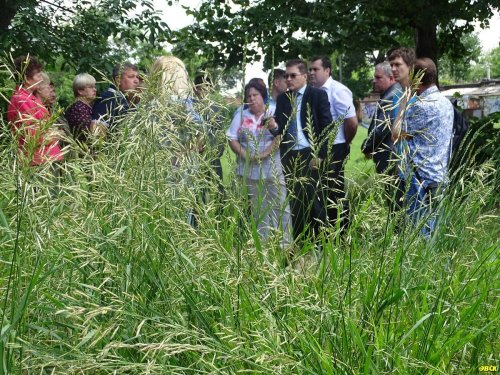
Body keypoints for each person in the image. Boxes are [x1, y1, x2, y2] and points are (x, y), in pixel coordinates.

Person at [267, 59, 332, 242]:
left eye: (293, 75)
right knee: (295, 204)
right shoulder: (282, 99)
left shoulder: (317, 95)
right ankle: (300, 245)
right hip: (290, 156)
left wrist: (320, 155)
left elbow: (327, 127)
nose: (288, 79)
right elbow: (280, 131)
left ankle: (322, 246)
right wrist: (272, 127)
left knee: (316, 202)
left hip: (310, 154)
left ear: (304, 76)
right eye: (286, 75)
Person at [227, 79, 291, 247]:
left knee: (280, 205)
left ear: (263, 96)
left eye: (255, 95)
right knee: (258, 208)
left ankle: (285, 244)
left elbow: (280, 135)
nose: (252, 98)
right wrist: (247, 155)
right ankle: (263, 243)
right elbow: (232, 138)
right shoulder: (241, 113)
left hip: (272, 167)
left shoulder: (273, 111)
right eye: (248, 95)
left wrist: (264, 154)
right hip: (249, 169)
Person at [396, 58, 454, 238]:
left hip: (419, 179)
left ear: (416, 79)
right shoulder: (446, 103)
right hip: (440, 175)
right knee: (436, 232)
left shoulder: (420, 106)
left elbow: (396, 132)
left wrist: (406, 97)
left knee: (420, 234)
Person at [308, 56, 357, 230]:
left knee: (334, 192)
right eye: (310, 69)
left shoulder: (337, 90)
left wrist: (344, 144)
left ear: (327, 70)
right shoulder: (312, 91)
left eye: (316, 69)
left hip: (335, 147)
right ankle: (323, 231)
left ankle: (343, 232)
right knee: (318, 192)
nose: (311, 73)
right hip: (317, 148)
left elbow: (351, 122)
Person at [7, 55, 63, 166]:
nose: (41, 79)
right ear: (27, 79)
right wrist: (55, 134)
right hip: (38, 162)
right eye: (38, 75)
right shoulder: (21, 100)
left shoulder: (28, 98)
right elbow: (33, 137)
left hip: (44, 159)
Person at [361, 62, 401, 174]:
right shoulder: (393, 93)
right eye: (374, 77)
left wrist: (366, 147)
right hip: (391, 155)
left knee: (391, 190)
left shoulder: (391, 97)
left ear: (391, 78)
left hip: (389, 156)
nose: (374, 81)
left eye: (378, 77)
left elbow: (380, 130)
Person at [193, 74, 225, 187]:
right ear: (195, 88)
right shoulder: (188, 107)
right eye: (201, 88)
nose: (204, 91)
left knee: (216, 194)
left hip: (213, 161)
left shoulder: (216, 109)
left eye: (207, 88)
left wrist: (213, 151)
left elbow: (221, 136)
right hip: (193, 160)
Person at [92, 61, 139, 130]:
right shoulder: (108, 99)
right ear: (118, 80)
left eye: (137, 77)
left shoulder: (121, 98)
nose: (136, 81)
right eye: (131, 77)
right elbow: (96, 134)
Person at [65, 73, 101, 143]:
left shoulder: (84, 106)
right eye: (90, 87)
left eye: (94, 87)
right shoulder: (78, 109)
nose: (95, 90)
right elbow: (88, 135)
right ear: (80, 91)